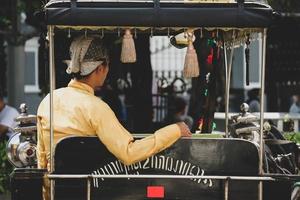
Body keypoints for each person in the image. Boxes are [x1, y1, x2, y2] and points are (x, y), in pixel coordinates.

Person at [37, 36, 191, 199]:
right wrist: (175, 130)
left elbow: (42, 160)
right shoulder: (96, 107)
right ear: (100, 68)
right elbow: (129, 153)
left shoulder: (48, 101)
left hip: (56, 191)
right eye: (108, 65)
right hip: (90, 192)